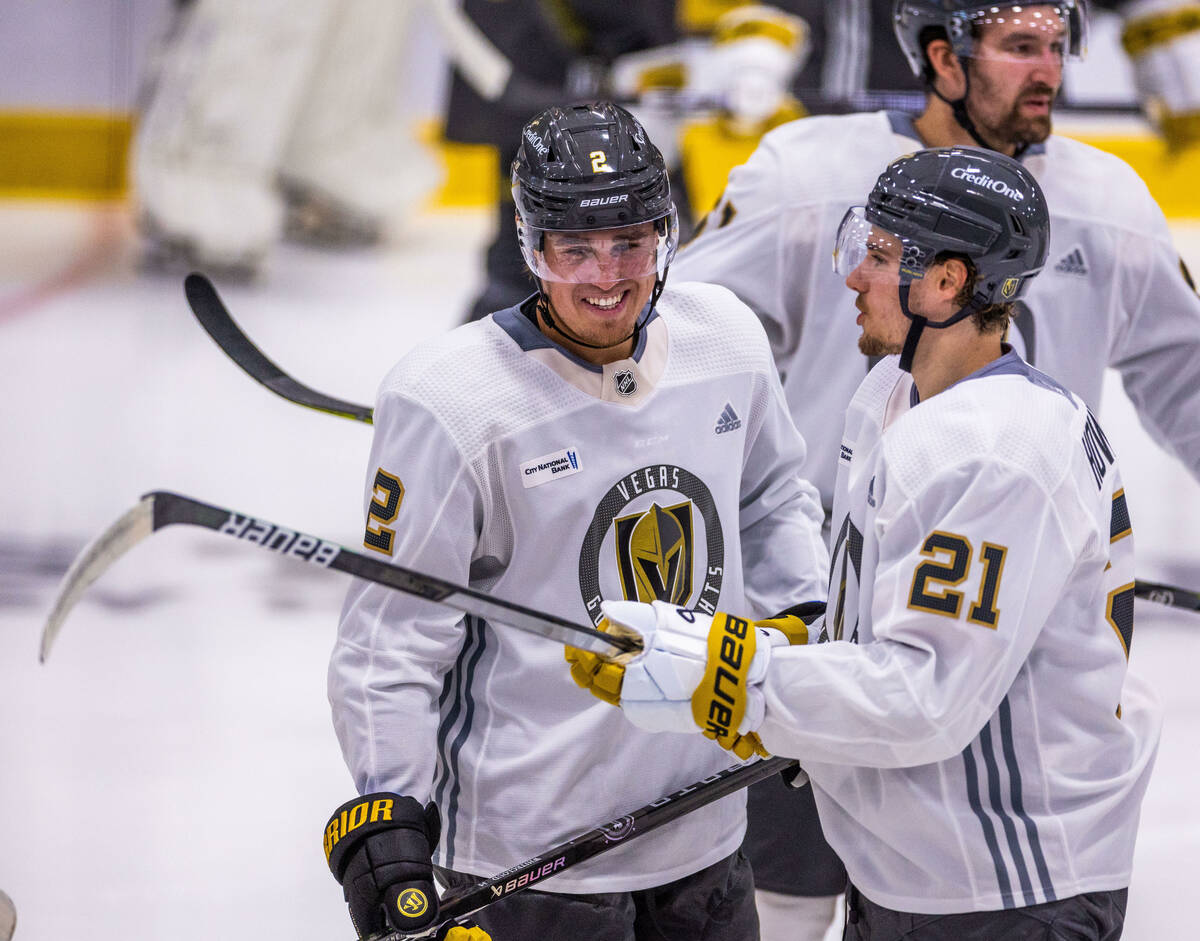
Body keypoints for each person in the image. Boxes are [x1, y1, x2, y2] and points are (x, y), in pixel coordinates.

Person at [671, 2, 1200, 936]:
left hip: (989, 655)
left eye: (1055, 47)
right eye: (1017, 46)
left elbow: (1193, 381)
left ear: (954, 282)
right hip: (821, 619)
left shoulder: (1107, 209)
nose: (1048, 72)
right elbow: (682, 353)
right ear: (941, 56)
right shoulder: (809, 178)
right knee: (789, 898)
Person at [569, 146, 1161, 940]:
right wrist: (785, 643)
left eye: (879, 257)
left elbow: (924, 698)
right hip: (917, 868)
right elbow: (878, 629)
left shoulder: (990, 452)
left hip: (1006, 889)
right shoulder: (895, 392)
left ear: (949, 282)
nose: (853, 276)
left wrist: (737, 678)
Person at [324, 101, 829, 940]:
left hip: (705, 826)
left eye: (630, 241)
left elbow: (773, 499)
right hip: (529, 856)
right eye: (576, 249)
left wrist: (803, 639)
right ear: (530, 245)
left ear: (666, 235)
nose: (606, 276)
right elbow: (394, 636)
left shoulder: (727, 340)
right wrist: (389, 808)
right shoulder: (449, 397)